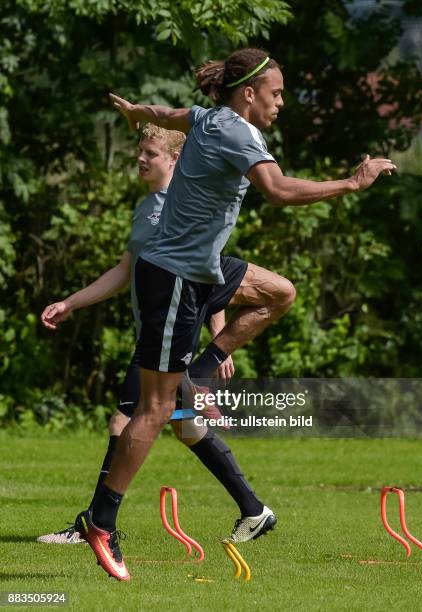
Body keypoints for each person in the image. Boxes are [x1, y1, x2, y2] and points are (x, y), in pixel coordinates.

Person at [81, 47, 396, 581]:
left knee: (279, 293)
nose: (280, 103)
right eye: (275, 93)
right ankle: (101, 521)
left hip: (201, 271)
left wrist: (141, 112)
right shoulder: (239, 133)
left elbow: (176, 115)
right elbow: (276, 190)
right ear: (249, 93)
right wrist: (351, 183)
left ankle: (200, 375)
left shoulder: (209, 118)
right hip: (176, 276)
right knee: (156, 413)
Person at [38, 123, 271, 547]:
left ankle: (94, 523)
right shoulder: (147, 207)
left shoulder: (181, 208)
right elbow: (124, 272)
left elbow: (209, 273)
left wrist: (216, 343)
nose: (141, 159)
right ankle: (254, 510)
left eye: (151, 153)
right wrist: (71, 303)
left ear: (175, 160)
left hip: (166, 336)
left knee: (125, 419)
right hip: (153, 335)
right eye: (140, 151)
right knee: (184, 426)